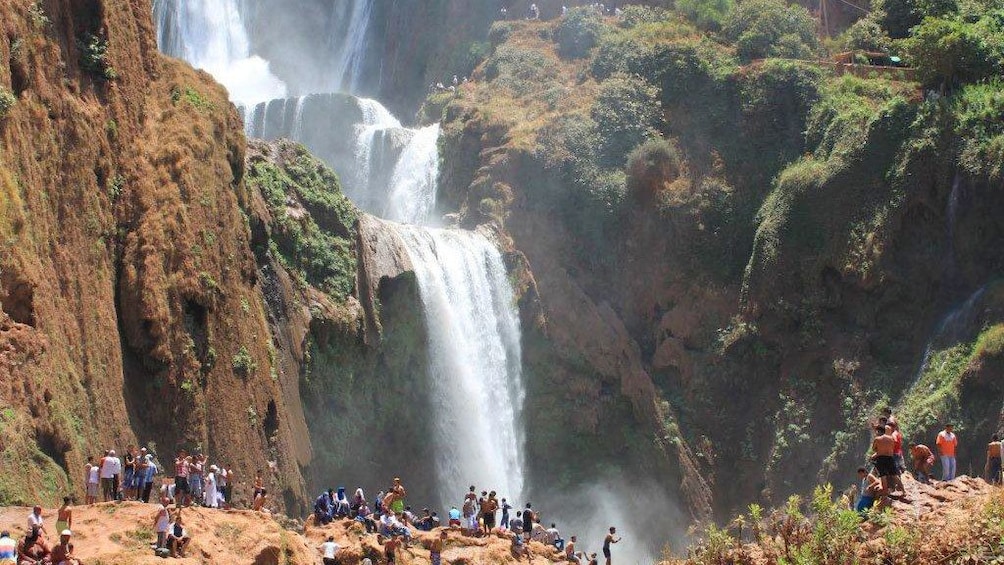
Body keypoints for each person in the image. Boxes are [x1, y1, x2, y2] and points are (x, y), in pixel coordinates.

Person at [870, 425, 899, 494]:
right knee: (894, 474)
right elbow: (892, 447)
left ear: (879, 431)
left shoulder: (877, 439)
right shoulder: (891, 438)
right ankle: (902, 489)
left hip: (881, 458)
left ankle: (885, 490)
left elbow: (874, 448)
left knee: (883, 475)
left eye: (876, 431)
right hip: (890, 457)